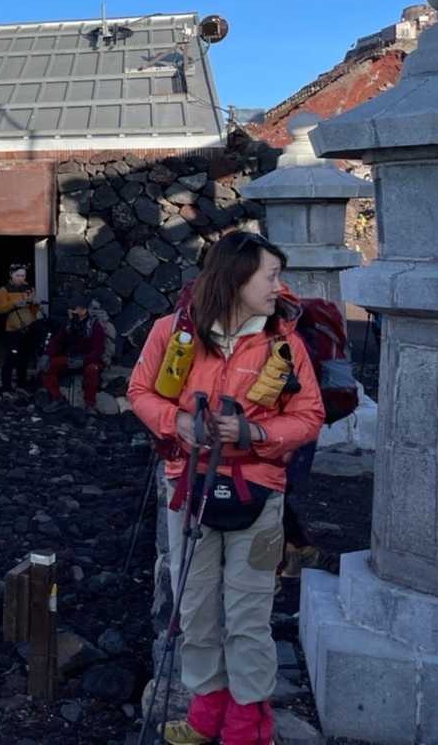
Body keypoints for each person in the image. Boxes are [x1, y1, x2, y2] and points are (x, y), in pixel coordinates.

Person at [128, 231, 324, 745]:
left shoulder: (284, 341)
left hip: (258, 492)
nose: (279, 287)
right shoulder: (173, 332)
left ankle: (247, 726)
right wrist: (177, 422)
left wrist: (254, 432)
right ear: (237, 279)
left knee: (248, 614)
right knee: (193, 607)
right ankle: (205, 712)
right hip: (188, 486)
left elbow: (310, 415)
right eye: (271, 276)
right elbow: (140, 390)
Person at [40, 294, 105, 408]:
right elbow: (57, 341)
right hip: (71, 358)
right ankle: (57, 398)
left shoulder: (94, 326)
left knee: (92, 370)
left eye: (73, 309)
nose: (70, 312)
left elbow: (98, 351)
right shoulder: (69, 324)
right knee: (47, 367)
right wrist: (46, 355)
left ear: (83, 310)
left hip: (88, 360)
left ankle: (90, 404)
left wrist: (83, 361)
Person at [0, 265, 41, 393]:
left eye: (23, 276)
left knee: (24, 358)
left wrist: (35, 303)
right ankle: (6, 386)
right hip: (13, 329)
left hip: (28, 327)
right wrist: (14, 304)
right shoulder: (4, 289)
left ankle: (22, 383)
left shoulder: (29, 288)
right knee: (11, 358)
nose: (21, 278)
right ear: (11, 274)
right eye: (18, 275)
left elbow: (34, 311)